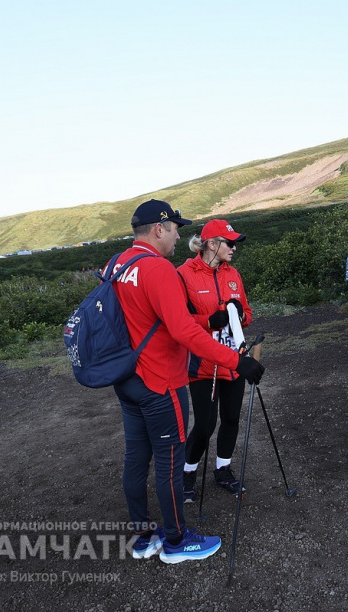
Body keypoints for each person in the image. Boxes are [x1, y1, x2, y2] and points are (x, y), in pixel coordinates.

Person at [107, 199, 265, 564]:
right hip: (161, 379)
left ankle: (143, 536)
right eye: (175, 227)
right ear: (158, 228)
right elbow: (180, 331)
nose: (179, 234)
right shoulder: (161, 269)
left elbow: (156, 320)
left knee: (136, 458)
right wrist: (236, 362)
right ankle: (177, 541)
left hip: (126, 376)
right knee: (169, 459)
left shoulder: (117, 264)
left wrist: (213, 323)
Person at [176, 219, 253, 502]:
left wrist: (240, 315)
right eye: (229, 242)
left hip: (234, 360)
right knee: (205, 425)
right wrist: (207, 320)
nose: (234, 247)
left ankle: (223, 470)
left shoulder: (233, 274)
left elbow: (247, 312)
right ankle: (187, 474)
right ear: (211, 244)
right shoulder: (184, 274)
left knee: (231, 418)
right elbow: (178, 321)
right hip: (203, 364)